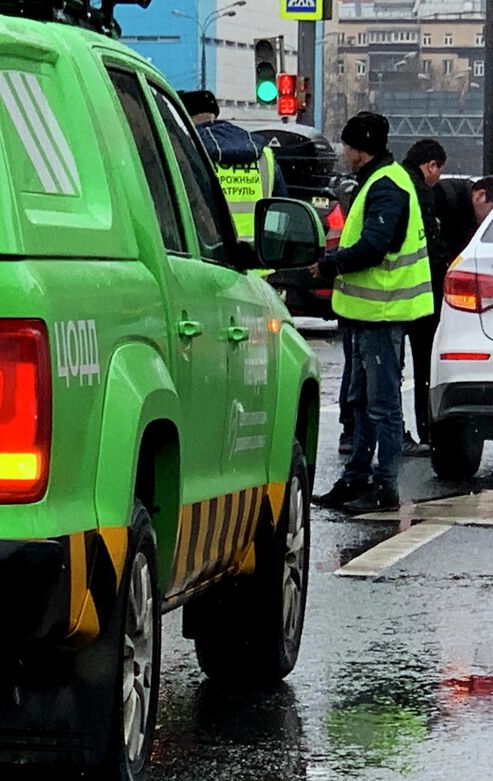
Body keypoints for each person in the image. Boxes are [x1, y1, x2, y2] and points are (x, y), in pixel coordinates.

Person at [311, 112, 435, 511]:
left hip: (384, 313)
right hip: (367, 313)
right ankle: (356, 478)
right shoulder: (378, 181)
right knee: (361, 399)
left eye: (346, 145)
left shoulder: (386, 186)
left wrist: (330, 263)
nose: (343, 153)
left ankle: (384, 487)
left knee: (381, 404)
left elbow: (374, 246)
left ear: (359, 149)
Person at [399, 139, 468, 454]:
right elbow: (430, 242)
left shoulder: (395, 180)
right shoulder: (420, 192)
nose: (437, 180)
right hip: (416, 293)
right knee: (425, 364)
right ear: (431, 166)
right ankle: (427, 431)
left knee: (387, 369)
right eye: (437, 172)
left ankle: (386, 433)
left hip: (391, 294)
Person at [179, 88, 285, 238]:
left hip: (204, 249)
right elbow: (280, 210)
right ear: (214, 114)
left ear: (185, 117)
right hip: (255, 253)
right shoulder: (264, 154)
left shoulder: (184, 149)